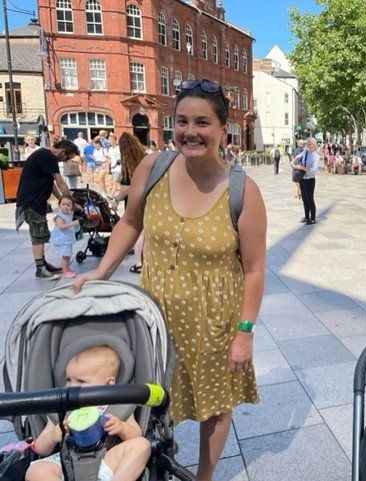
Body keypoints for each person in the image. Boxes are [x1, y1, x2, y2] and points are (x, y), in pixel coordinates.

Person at [73, 79, 266, 481]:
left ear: (222, 129)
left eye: (202, 122)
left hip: (215, 323)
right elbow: (130, 221)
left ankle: (205, 474)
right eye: (181, 121)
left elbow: (254, 270)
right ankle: (159, 451)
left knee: (215, 406)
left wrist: (244, 332)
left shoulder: (242, 191)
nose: (190, 132)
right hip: (156, 317)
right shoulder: (153, 167)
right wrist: (102, 270)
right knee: (155, 398)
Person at [25, 345, 151, 481]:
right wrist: (53, 436)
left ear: (108, 383)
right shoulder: (62, 409)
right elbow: (39, 448)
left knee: (142, 445)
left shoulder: (117, 405)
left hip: (106, 458)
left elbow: (136, 434)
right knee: (35, 471)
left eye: (81, 381)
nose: (71, 386)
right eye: (68, 380)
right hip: (67, 462)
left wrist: (121, 427)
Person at [15, 139, 79, 280]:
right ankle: (40, 269)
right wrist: (72, 204)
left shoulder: (45, 156)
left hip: (34, 201)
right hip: (31, 202)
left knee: (41, 233)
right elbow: (60, 182)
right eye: (67, 157)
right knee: (38, 236)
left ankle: (43, 264)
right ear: (62, 151)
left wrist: (62, 200)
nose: (66, 161)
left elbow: (51, 186)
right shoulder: (48, 156)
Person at [112, 132, 146, 274]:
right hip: (148, 199)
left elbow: (127, 187)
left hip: (134, 202)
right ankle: (145, 262)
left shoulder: (128, 165)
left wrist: (116, 200)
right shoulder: (144, 159)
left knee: (138, 233)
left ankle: (139, 264)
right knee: (145, 233)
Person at [49, 194, 81, 279]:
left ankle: (67, 269)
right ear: (59, 205)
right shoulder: (59, 216)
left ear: (72, 206)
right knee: (65, 256)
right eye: (63, 204)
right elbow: (61, 226)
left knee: (68, 255)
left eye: (68, 205)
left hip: (67, 238)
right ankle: (65, 272)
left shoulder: (69, 213)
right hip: (62, 239)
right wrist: (73, 223)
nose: (65, 207)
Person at [294, 138, 319, 225]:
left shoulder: (315, 155)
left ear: (314, 145)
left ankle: (312, 218)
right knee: (304, 199)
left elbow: (313, 170)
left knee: (310, 199)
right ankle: (306, 217)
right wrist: (295, 162)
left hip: (310, 180)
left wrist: (303, 168)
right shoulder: (305, 152)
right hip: (303, 178)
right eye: (307, 144)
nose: (307, 145)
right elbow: (298, 157)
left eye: (309, 144)